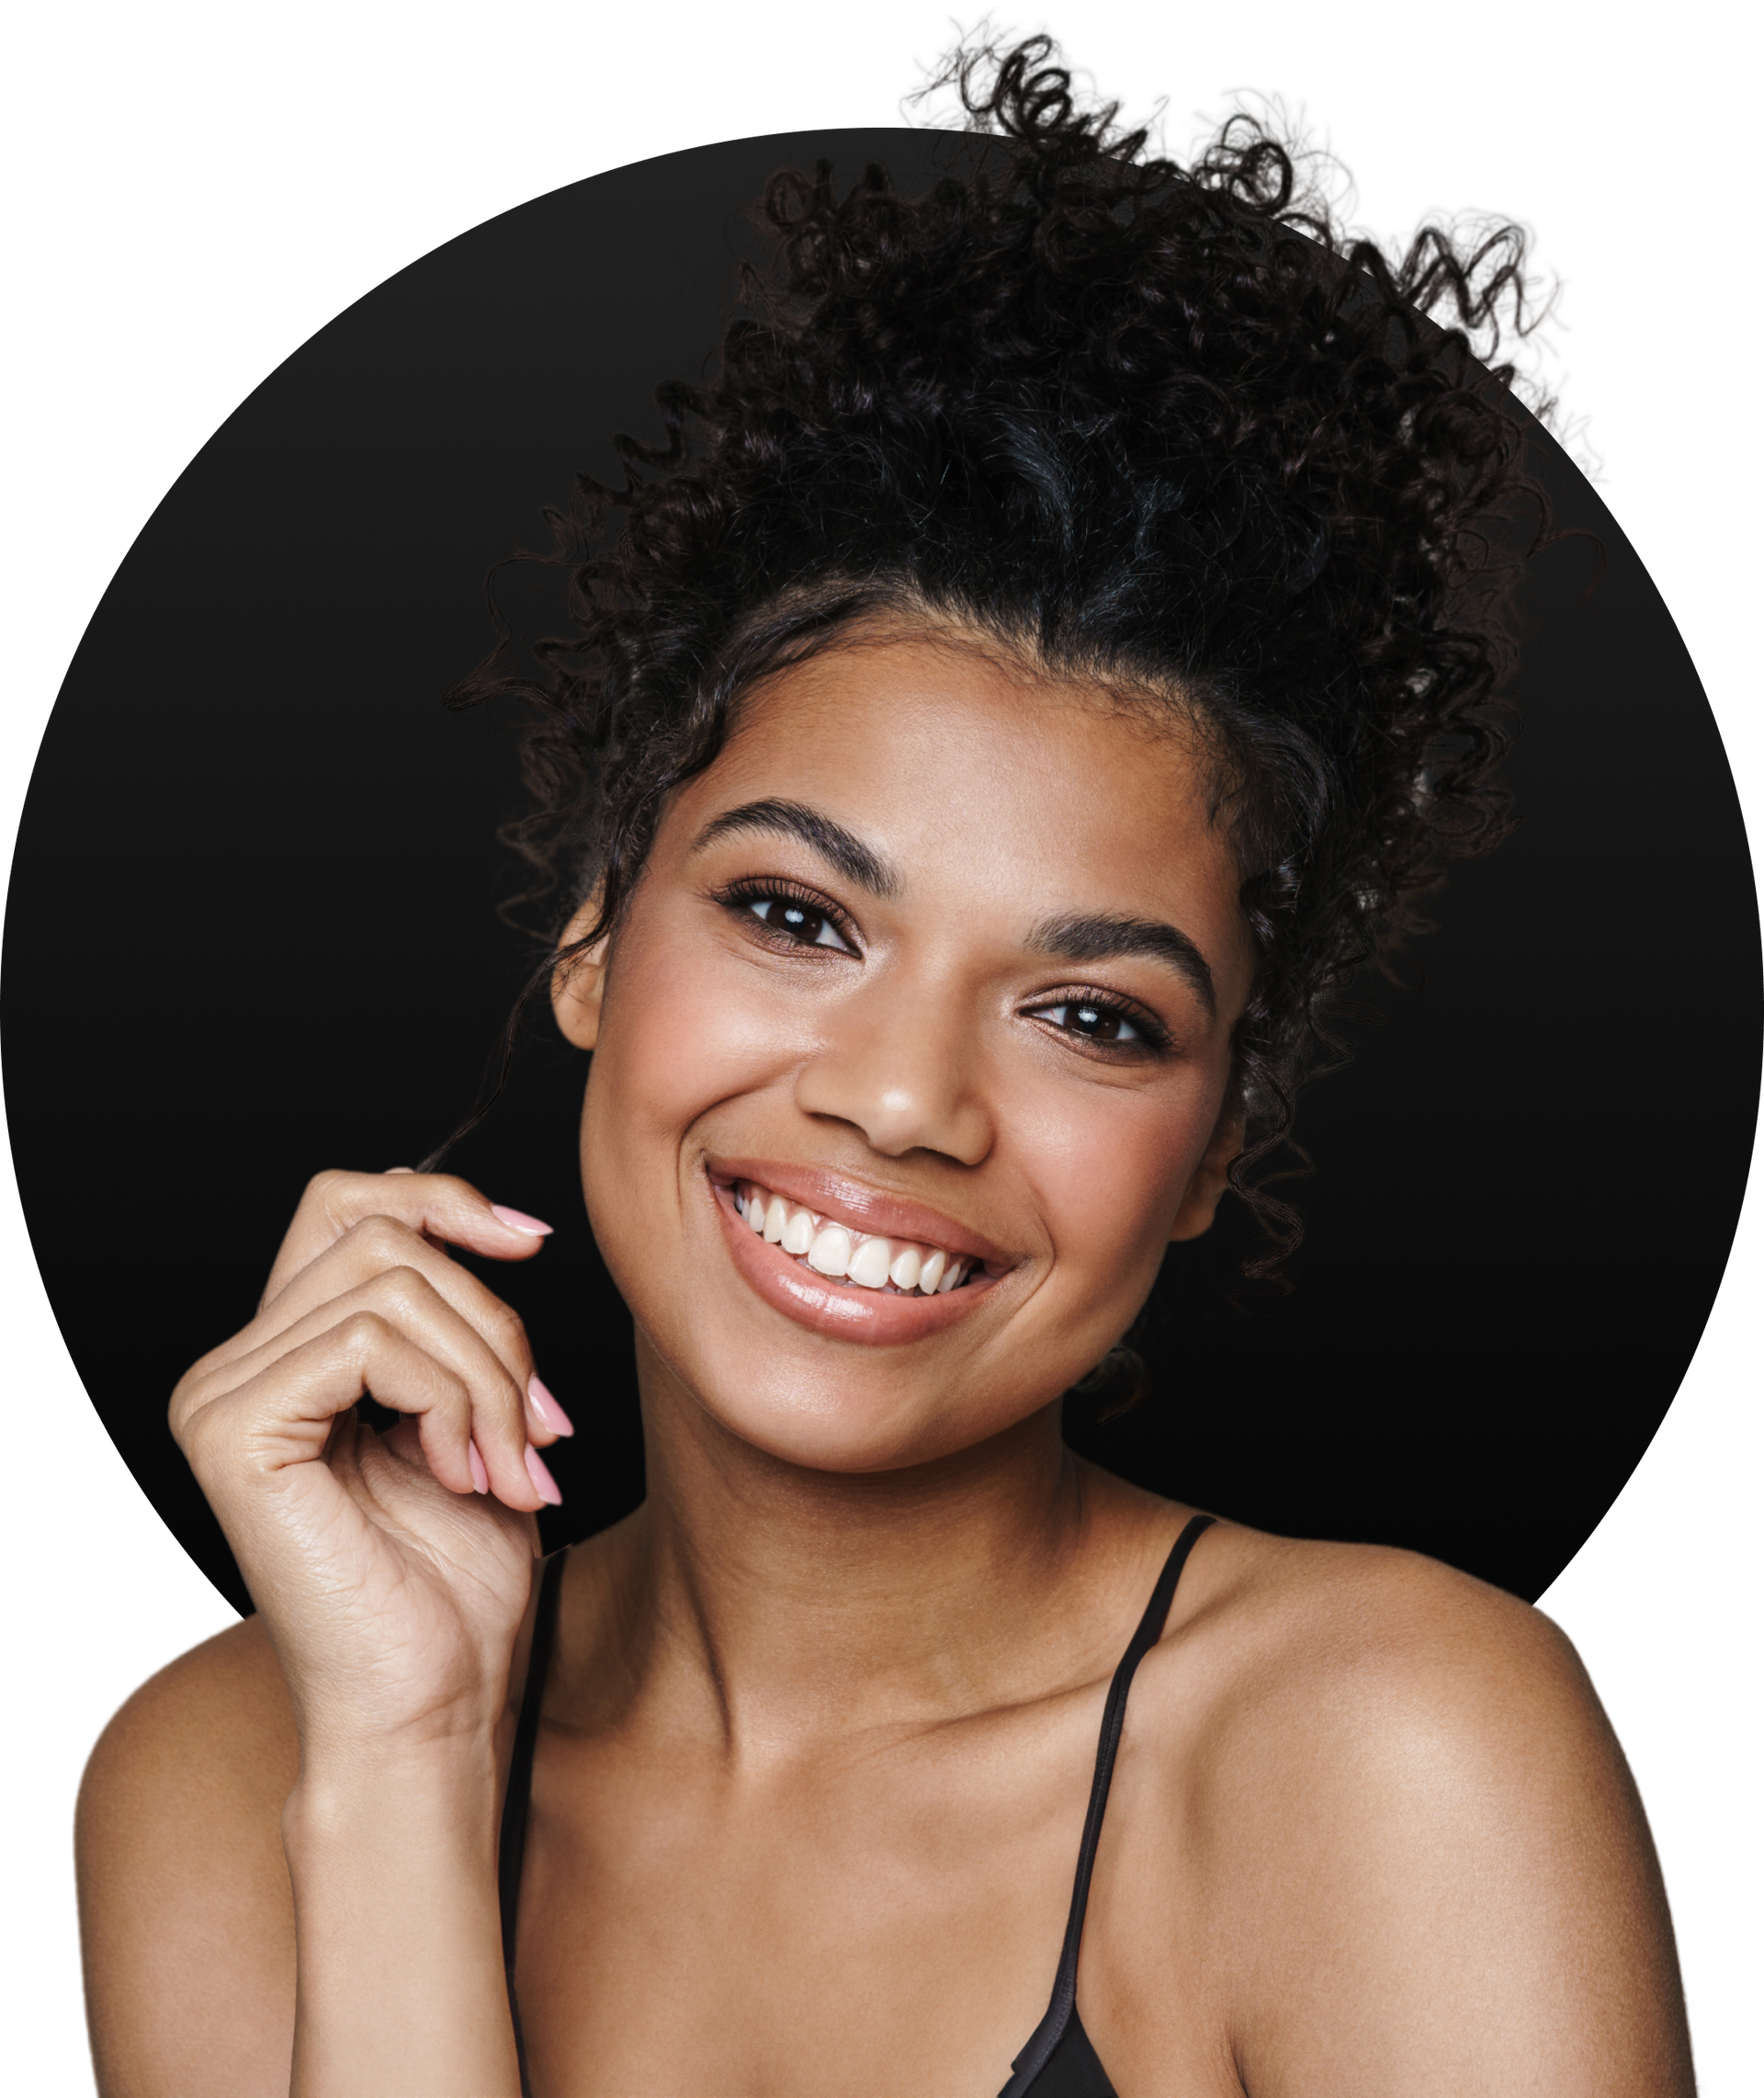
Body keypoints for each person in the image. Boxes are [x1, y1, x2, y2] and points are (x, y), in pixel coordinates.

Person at [69, 22, 1699, 2095]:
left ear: (1218, 1141)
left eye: (1093, 1015)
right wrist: (403, 1761)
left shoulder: (1385, 1746)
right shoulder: (238, 1761)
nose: (909, 1100)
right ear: (592, 927)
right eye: (797, 915)